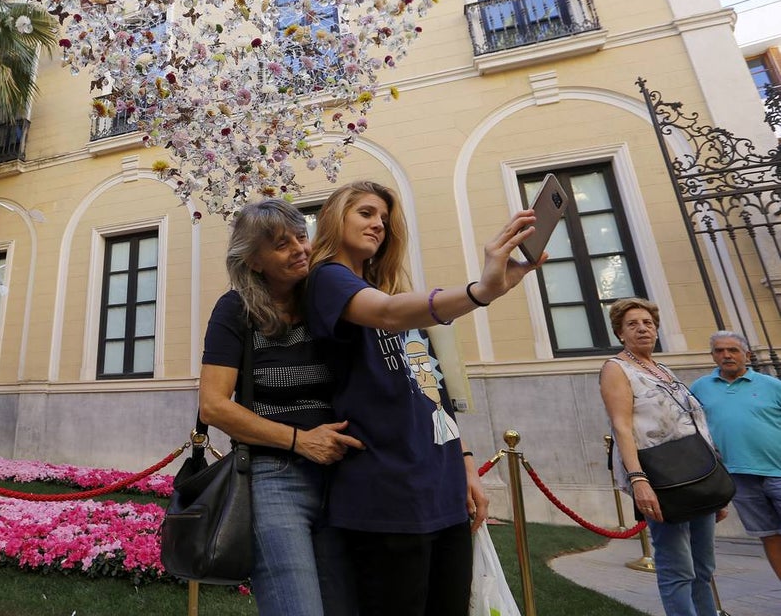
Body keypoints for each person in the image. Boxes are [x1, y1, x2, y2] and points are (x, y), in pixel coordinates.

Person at [304, 180, 543, 616]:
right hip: (386, 493)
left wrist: (466, 463)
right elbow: (384, 313)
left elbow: (433, 392)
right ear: (335, 216)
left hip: (442, 488)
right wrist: (481, 291)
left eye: (384, 218)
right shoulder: (327, 280)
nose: (378, 224)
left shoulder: (395, 296)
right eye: (366, 212)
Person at [199, 198, 364, 616]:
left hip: (346, 478)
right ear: (254, 261)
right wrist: (301, 441)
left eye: (301, 236)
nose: (299, 249)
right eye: (281, 244)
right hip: (276, 479)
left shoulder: (324, 302)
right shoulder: (236, 310)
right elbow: (214, 406)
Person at [600, 298, 725, 616]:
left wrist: (715, 487)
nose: (642, 328)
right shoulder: (617, 369)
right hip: (661, 480)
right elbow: (622, 427)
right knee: (677, 569)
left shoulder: (663, 370)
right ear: (620, 333)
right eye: (632, 324)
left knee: (703, 567)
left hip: (697, 476)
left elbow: (693, 425)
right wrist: (638, 480)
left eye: (648, 323)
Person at [691, 331, 781, 580]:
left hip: (778, 472)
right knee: (769, 535)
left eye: (733, 350)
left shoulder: (773, 386)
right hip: (739, 478)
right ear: (713, 356)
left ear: (747, 355)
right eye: (719, 351)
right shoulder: (699, 388)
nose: (726, 355)